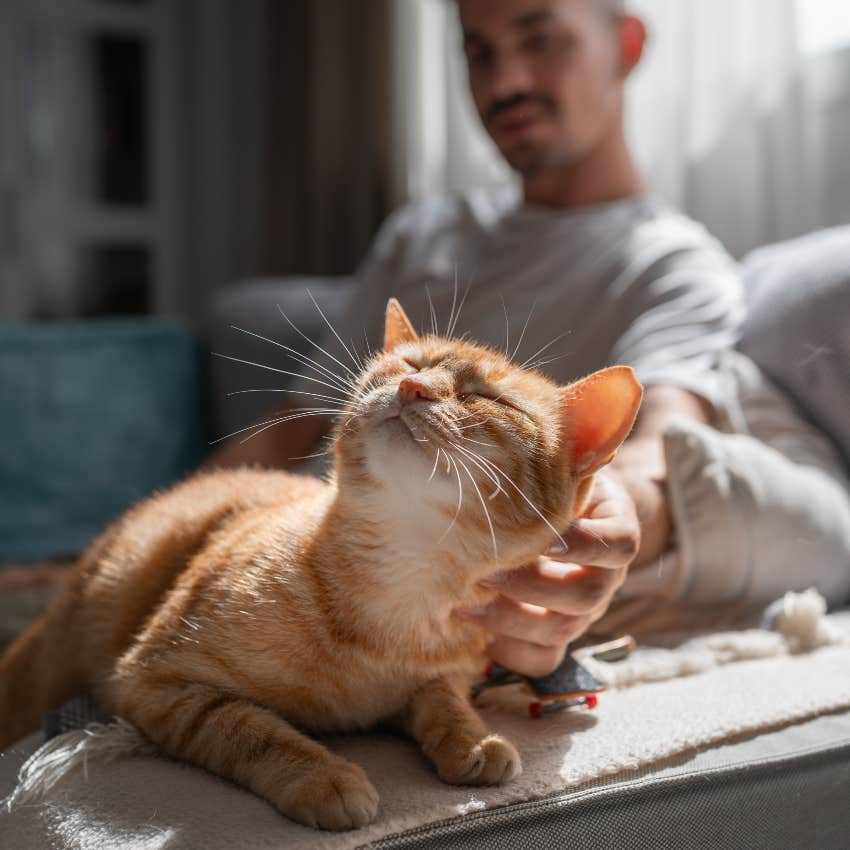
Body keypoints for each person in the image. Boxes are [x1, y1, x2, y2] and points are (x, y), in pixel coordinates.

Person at [211, 0, 850, 674]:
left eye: (539, 39)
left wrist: (610, 517)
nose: (505, 81)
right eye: (478, 52)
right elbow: (295, 424)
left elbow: (660, 440)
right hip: (288, 565)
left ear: (626, 45)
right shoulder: (421, 232)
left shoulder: (675, 265)